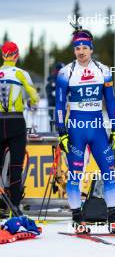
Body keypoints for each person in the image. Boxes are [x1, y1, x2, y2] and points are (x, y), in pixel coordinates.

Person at [55, 28, 115, 234]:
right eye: (77, 48)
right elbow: (60, 105)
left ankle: (113, 218)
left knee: (108, 173)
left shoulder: (103, 70)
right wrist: (61, 131)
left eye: (84, 48)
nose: (81, 52)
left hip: (98, 128)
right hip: (76, 130)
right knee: (75, 176)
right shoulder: (65, 72)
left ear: (91, 49)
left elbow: (111, 101)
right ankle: (78, 219)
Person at [0, 41, 39, 215]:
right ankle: (14, 206)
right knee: (16, 166)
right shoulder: (21, 73)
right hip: (16, 121)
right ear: (17, 55)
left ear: (3, 56)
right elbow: (34, 97)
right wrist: (31, 102)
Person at [46, 62, 65, 130]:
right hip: (55, 106)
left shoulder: (62, 79)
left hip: (60, 107)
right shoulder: (53, 80)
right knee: (55, 122)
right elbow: (50, 93)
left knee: (61, 122)